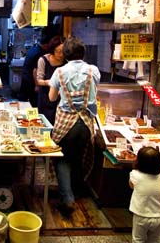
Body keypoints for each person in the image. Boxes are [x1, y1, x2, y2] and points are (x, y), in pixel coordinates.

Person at [48, 35, 101, 216]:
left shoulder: (59, 72)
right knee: (78, 156)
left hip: (65, 123)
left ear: (65, 54)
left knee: (62, 158)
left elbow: (52, 98)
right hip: (86, 123)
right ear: (83, 53)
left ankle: (67, 198)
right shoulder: (93, 70)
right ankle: (78, 192)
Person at [127, 146, 160, 243]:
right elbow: (158, 177)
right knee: (155, 238)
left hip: (141, 215)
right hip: (159, 216)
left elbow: (131, 186)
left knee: (138, 238)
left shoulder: (135, 175)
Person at [36, 36, 65, 124]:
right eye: (58, 51)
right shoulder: (43, 60)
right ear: (52, 50)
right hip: (45, 99)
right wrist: (48, 82)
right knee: (46, 124)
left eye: (63, 52)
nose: (61, 55)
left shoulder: (66, 62)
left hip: (61, 101)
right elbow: (38, 80)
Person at [20, 34, 49, 107]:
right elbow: (35, 71)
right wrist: (37, 85)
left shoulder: (34, 49)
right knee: (33, 103)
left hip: (25, 77)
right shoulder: (39, 53)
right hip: (31, 80)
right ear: (46, 45)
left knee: (23, 101)